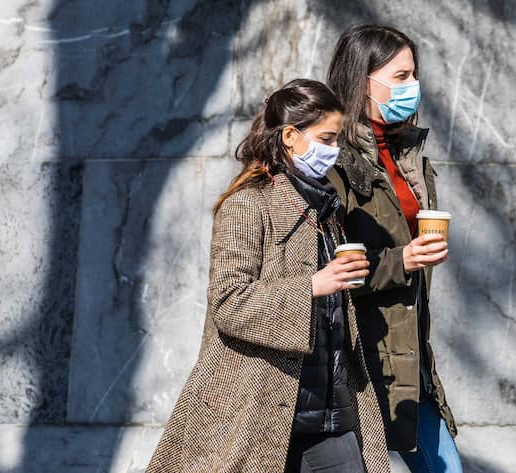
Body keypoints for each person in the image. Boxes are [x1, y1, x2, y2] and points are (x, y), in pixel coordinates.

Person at [146, 79, 390, 473]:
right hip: (264, 411)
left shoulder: (325, 209)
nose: (334, 151)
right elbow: (228, 302)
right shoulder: (248, 204)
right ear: (291, 137)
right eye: (326, 138)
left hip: (333, 414)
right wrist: (313, 285)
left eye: (336, 141)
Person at [326, 25, 463, 473]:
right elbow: (326, 268)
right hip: (356, 363)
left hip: (411, 358)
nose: (412, 87)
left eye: (414, 74)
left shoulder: (408, 157)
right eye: (400, 76)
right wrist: (401, 261)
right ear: (362, 80)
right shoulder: (334, 161)